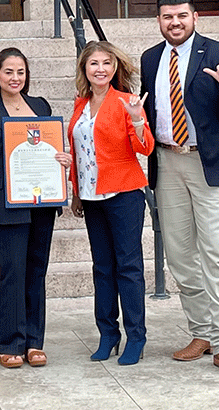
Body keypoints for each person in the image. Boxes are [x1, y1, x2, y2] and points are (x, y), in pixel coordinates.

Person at [140, 0, 219, 377]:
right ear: (159, 20)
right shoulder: (150, 58)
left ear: (195, 18)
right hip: (166, 163)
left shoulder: (218, 51)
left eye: (181, 16)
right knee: (179, 256)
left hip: (208, 166)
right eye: (167, 17)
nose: (174, 23)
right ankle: (201, 331)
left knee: (216, 254)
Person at [0, 47, 69, 368]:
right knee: (12, 273)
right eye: (9, 72)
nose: (15, 78)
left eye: (20, 72)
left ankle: (34, 341)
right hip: (7, 202)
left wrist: (61, 159)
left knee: (36, 269)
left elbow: (50, 149)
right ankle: (9, 341)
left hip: (43, 200)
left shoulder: (40, 105)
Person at [68, 40, 154, 366]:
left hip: (124, 195)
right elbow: (81, 154)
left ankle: (136, 336)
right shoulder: (80, 105)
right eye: (94, 64)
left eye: (106, 63)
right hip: (91, 197)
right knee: (102, 268)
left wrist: (135, 119)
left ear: (114, 68)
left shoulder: (127, 102)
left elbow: (144, 148)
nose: (100, 69)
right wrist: (76, 192)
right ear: (85, 70)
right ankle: (108, 334)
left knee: (128, 268)